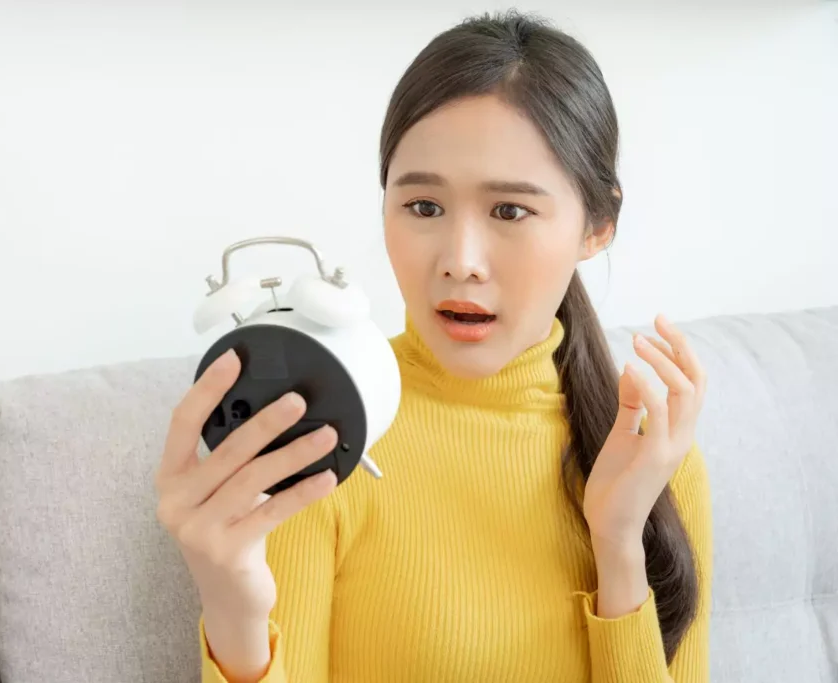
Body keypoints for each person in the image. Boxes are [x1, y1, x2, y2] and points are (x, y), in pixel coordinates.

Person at [155, 10, 711, 683]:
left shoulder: (651, 458)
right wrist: (233, 614)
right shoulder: (324, 433)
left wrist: (618, 545)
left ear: (597, 225)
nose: (460, 259)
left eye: (509, 211)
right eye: (423, 206)